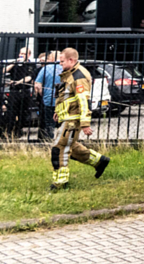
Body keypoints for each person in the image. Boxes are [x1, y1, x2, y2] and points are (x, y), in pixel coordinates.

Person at [51, 48, 110, 190]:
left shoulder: (79, 76)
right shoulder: (70, 74)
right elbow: (66, 97)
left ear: (71, 60)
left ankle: (60, 182)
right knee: (70, 146)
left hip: (73, 120)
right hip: (68, 117)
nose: (60, 64)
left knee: (59, 148)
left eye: (62, 61)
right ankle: (99, 161)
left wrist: (85, 124)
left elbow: (83, 101)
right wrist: (58, 111)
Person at [3, 47, 35, 139]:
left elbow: (29, 77)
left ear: (29, 55)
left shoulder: (30, 65)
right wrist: (14, 63)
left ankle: (19, 130)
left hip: (25, 91)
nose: (21, 55)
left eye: (24, 54)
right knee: (11, 113)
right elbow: (4, 71)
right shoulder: (15, 64)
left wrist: (19, 82)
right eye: (21, 53)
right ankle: (9, 132)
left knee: (23, 114)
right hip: (14, 91)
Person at [34, 51, 62, 141]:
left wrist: (42, 93)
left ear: (52, 58)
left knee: (49, 123)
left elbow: (37, 85)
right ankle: (62, 141)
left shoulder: (46, 68)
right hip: (63, 100)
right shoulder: (65, 68)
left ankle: (49, 141)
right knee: (64, 122)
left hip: (49, 100)